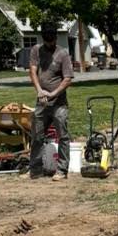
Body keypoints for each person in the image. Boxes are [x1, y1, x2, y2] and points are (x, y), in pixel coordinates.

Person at [28, 22, 73, 180]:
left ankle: (62, 170)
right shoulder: (36, 50)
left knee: (63, 136)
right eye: (47, 42)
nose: (49, 44)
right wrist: (39, 91)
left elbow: (68, 79)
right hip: (42, 102)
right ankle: (35, 169)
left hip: (59, 103)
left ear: (55, 37)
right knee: (37, 135)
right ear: (43, 38)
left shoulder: (63, 54)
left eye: (52, 41)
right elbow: (32, 71)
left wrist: (53, 93)